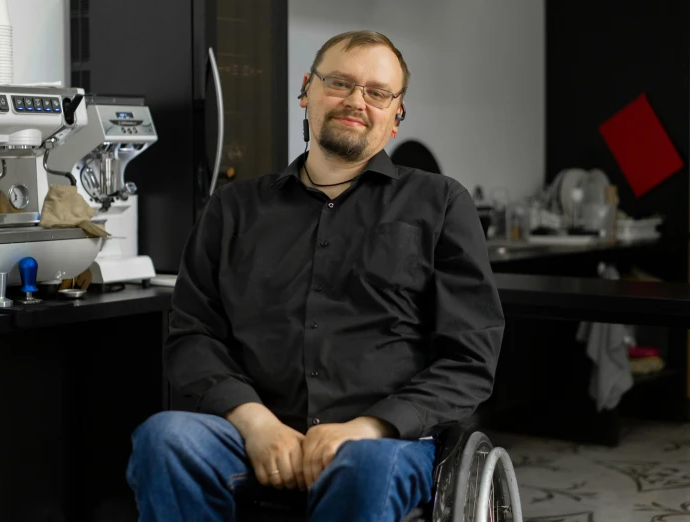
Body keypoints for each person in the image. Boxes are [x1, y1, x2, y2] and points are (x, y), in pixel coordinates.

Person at [126, 30, 504, 522]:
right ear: (306, 91)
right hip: (256, 434)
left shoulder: (441, 204)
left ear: (396, 116)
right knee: (165, 438)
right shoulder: (233, 209)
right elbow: (192, 336)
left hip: (385, 443)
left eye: (377, 92)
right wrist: (256, 422)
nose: (356, 101)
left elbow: (469, 359)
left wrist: (368, 428)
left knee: (362, 466)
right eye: (340, 83)